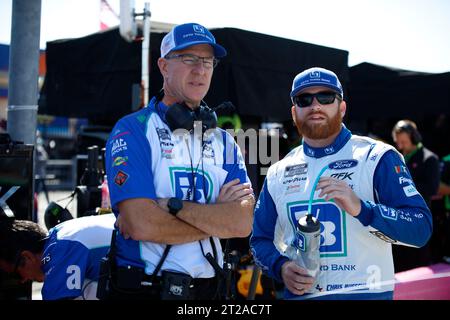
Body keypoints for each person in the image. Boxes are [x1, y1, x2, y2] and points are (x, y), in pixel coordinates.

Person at [250, 67, 432, 300]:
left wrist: (363, 209)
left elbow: (420, 229)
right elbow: (260, 241)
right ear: (294, 113)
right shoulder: (278, 171)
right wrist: (281, 267)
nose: (315, 106)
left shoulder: (377, 156)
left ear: (342, 107)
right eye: (304, 99)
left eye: (326, 97)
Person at [104, 22, 254, 300]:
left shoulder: (224, 141)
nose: (200, 70)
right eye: (189, 59)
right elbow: (141, 224)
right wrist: (216, 218)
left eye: (208, 61)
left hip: (210, 290)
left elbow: (242, 223)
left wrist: (174, 207)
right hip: (145, 289)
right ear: (163, 66)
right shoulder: (133, 129)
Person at [0, 214, 115, 300]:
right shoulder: (60, 234)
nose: (23, 281)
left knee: (78, 291)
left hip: (131, 271)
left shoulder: (60, 250)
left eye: (16, 275)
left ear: (27, 257)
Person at [391, 120, 440, 272]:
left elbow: (432, 188)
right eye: (397, 142)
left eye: (403, 142)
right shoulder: (396, 158)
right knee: (399, 262)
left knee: (418, 263)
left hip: (418, 218)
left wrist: (403, 185)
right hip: (398, 218)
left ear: (414, 137)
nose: (400, 146)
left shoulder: (429, 158)